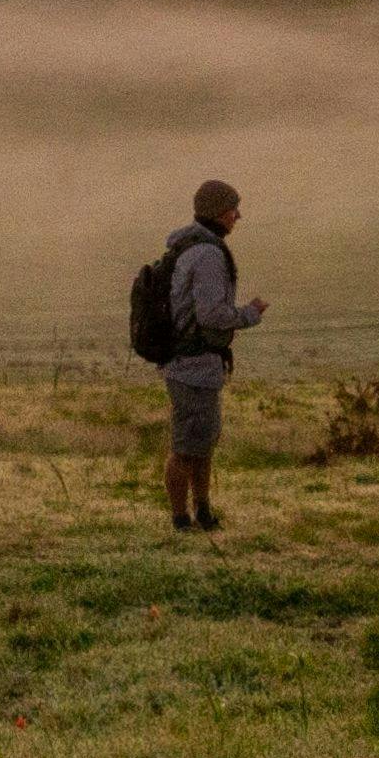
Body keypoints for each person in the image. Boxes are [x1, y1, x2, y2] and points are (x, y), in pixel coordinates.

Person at [149, 180, 260, 534]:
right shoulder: (209, 254)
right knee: (187, 447)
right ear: (217, 212)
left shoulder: (189, 246)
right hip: (193, 365)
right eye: (233, 208)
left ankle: (201, 511)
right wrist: (250, 313)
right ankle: (182, 518)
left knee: (200, 443)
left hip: (189, 363)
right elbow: (212, 314)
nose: (238, 216)